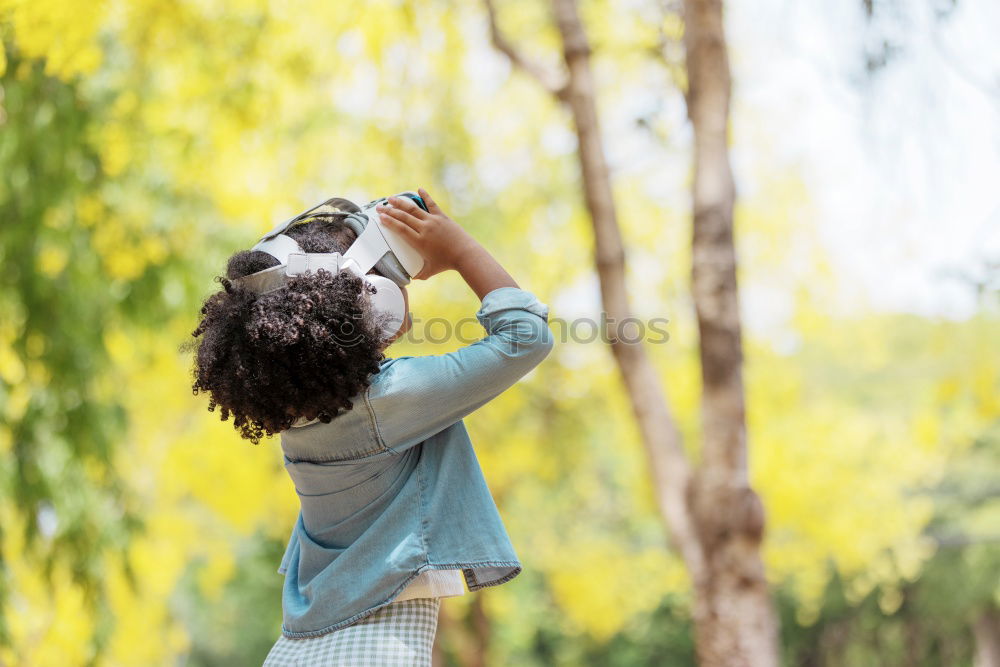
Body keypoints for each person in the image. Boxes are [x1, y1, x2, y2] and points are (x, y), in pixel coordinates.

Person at [190, 188, 554, 665]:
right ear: (372, 303)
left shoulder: (300, 418)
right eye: (386, 276)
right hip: (373, 650)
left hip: (297, 651)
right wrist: (461, 250)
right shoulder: (385, 402)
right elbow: (528, 336)